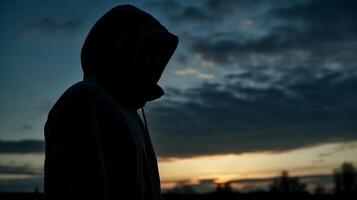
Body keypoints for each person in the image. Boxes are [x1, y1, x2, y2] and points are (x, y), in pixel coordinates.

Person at [44, 5, 178, 200]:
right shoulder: (86, 100)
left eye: (160, 56)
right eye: (149, 52)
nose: (157, 64)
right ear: (121, 45)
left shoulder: (130, 112)